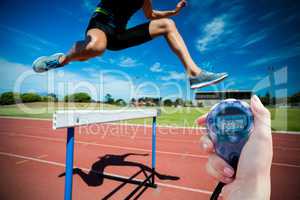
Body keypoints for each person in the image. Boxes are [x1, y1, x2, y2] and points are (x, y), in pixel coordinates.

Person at [32, 0, 228, 89]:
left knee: (167, 25)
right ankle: (61, 59)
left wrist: (174, 12)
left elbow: (151, 15)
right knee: (96, 48)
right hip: (101, 23)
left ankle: (194, 74)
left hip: (119, 35)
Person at [197, 95, 273, 199]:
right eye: (226, 123)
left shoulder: (214, 118)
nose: (230, 125)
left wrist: (251, 184)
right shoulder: (245, 115)